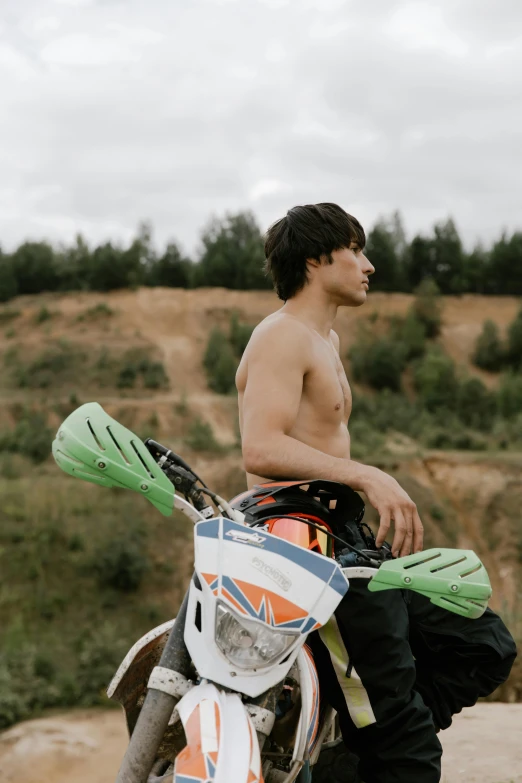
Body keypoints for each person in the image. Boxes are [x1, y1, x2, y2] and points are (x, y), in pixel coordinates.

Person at [235, 203, 517, 783]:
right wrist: (368, 474)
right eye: (355, 250)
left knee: (484, 644)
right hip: (305, 551)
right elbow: (260, 448)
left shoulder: (324, 338)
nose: (369, 265)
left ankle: (361, 750)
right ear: (316, 259)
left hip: (346, 543)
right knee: (406, 751)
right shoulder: (282, 336)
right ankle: (384, 740)